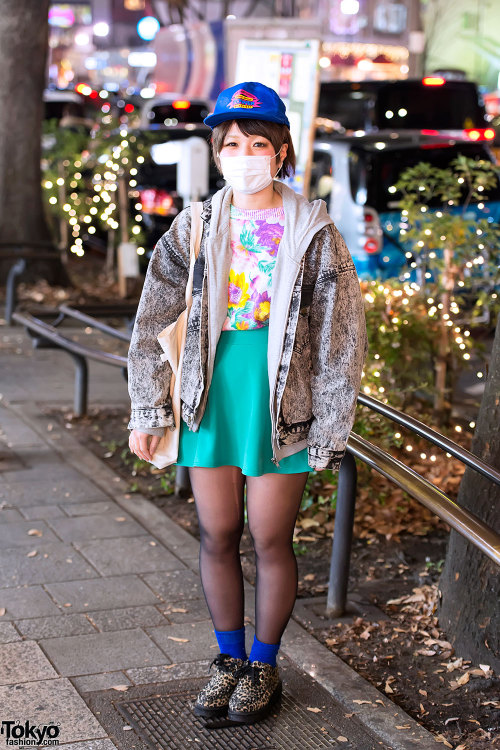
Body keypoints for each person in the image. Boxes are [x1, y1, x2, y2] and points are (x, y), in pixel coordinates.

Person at [127, 81, 368, 725]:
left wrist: (331, 424)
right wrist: (149, 410)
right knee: (216, 532)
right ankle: (227, 661)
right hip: (210, 389)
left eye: (256, 142)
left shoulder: (313, 230)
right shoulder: (197, 223)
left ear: (281, 151)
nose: (242, 154)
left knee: (268, 536)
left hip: (278, 396)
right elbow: (156, 314)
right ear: (218, 152)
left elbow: (341, 337)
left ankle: (264, 667)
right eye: (230, 143)